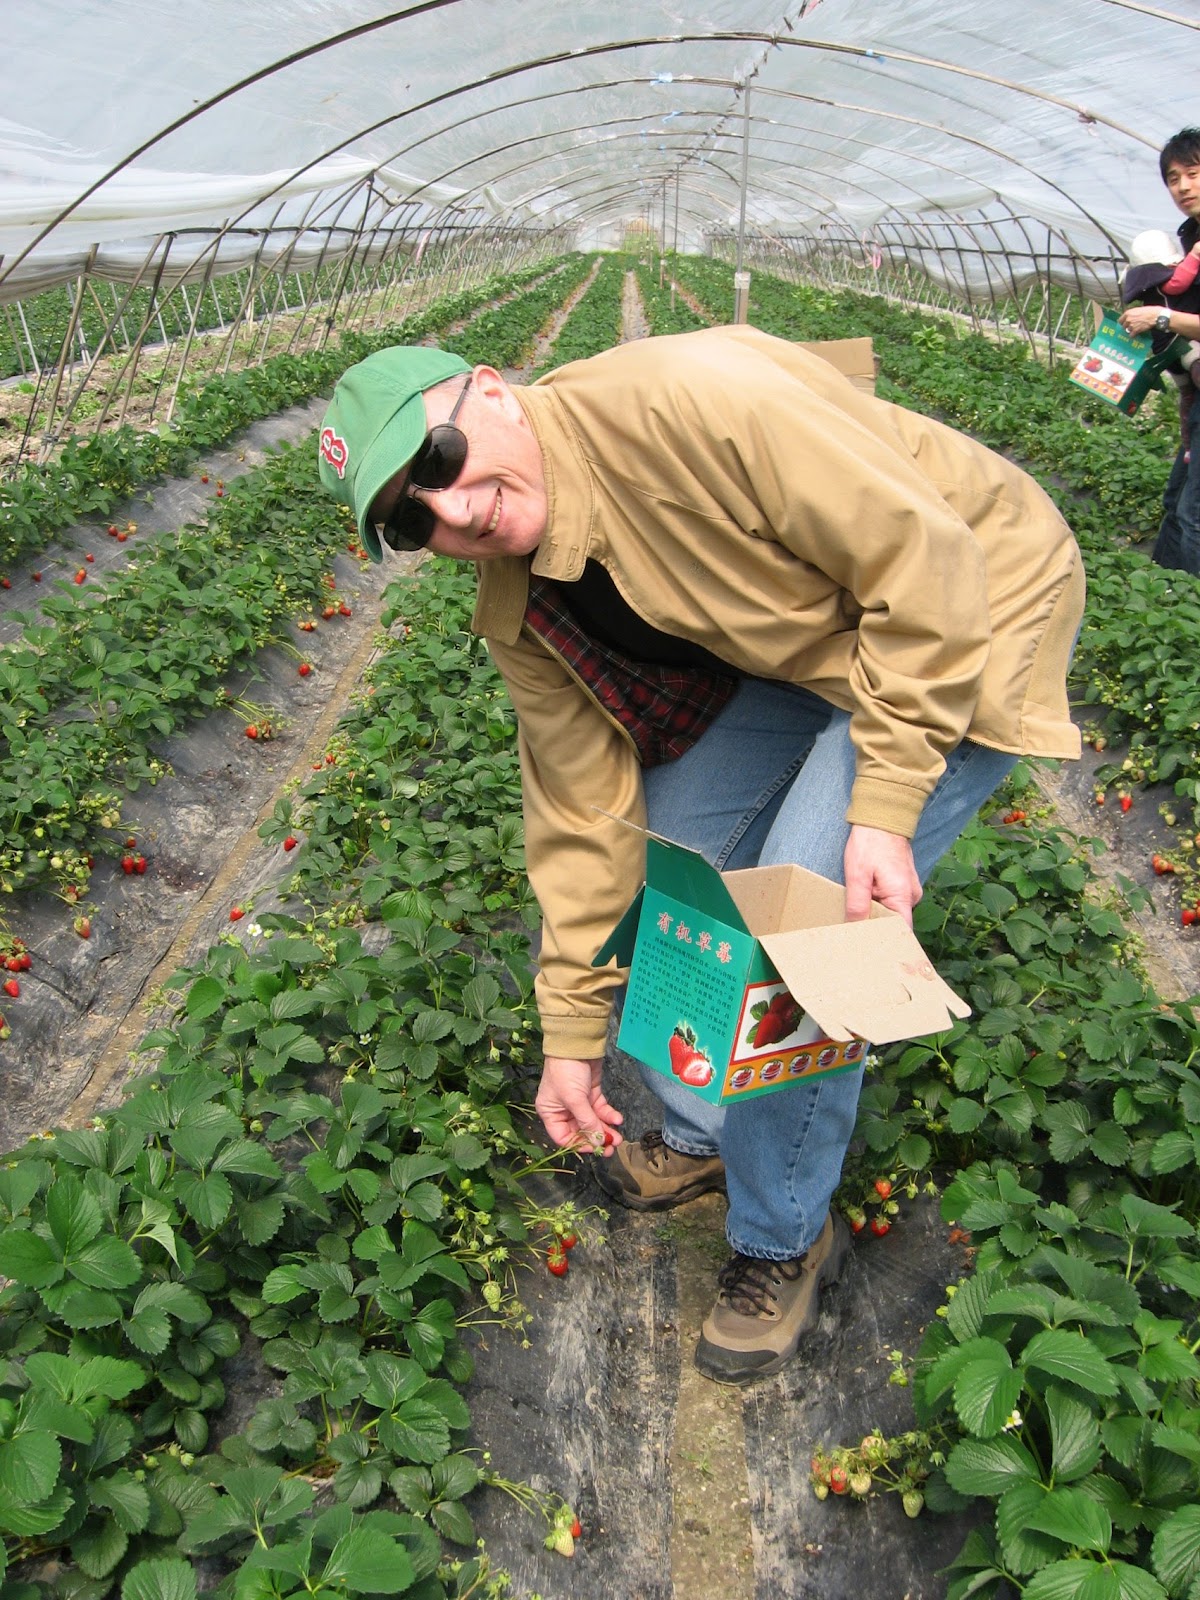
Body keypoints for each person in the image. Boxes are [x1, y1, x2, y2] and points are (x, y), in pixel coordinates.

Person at [317, 322, 1084, 1385]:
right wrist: (573, 1036)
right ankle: (700, 1124)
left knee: (803, 926)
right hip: (816, 636)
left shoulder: (688, 403)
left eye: (437, 463)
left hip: (969, 595)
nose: (452, 510)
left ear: (491, 392)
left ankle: (783, 1235)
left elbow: (925, 561)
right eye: (411, 520)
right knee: (673, 859)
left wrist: (885, 797)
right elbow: (586, 822)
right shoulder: (524, 608)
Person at [1119, 126, 1200, 574]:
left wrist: (1162, 318)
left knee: (1194, 514)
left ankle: (1189, 622)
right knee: (1178, 501)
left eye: (1193, 172)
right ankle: (1162, 594)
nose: (1183, 186)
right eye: (1173, 177)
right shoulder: (1186, 240)